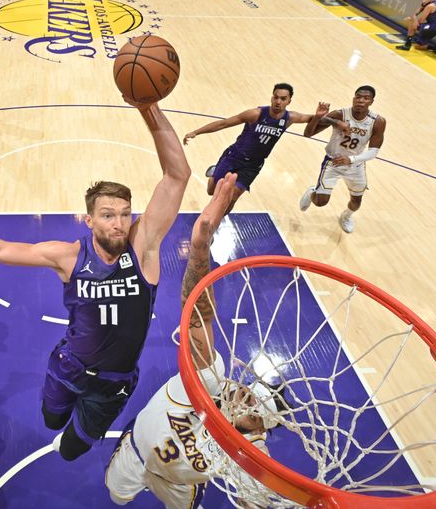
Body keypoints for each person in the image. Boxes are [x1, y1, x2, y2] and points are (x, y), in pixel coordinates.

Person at [0, 99, 191, 461]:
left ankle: (74, 436)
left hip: (114, 385)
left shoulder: (143, 247)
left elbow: (177, 176)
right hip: (69, 366)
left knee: (71, 450)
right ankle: (57, 410)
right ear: (90, 221)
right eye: (107, 215)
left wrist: (148, 107)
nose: (118, 223)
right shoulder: (69, 256)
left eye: (123, 214)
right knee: (51, 419)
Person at [105, 173, 288, 508]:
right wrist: (200, 251)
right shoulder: (209, 379)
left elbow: (253, 501)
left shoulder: (253, 456)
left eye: (252, 409)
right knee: (117, 496)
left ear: (260, 428)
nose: (241, 400)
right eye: (246, 392)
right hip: (137, 452)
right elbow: (199, 316)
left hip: (179, 487)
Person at [182, 83, 319, 214]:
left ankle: (214, 226)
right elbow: (223, 124)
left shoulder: (290, 118)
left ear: (289, 101)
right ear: (272, 98)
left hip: (253, 165)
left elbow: (313, 118)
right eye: (276, 97)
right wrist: (196, 132)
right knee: (211, 191)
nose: (278, 101)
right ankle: (214, 172)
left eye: (283, 99)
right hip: (234, 156)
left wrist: (323, 116)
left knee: (232, 196)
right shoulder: (255, 114)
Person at [299, 86, 387, 233]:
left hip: (355, 165)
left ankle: (346, 216)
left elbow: (373, 152)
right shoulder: (340, 114)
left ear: (371, 101)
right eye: (358, 96)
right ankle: (312, 192)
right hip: (333, 162)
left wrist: (351, 159)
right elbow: (308, 133)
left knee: (356, 202)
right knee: (320, 202)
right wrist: (318, 117)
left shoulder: (378, 121)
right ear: (353, 98)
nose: (360, 100)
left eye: (365, 98)